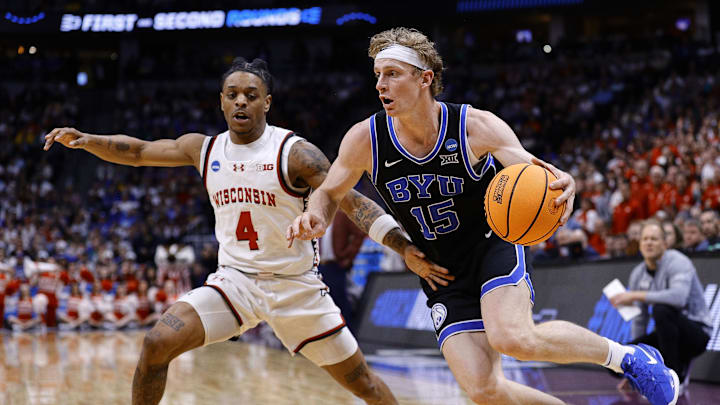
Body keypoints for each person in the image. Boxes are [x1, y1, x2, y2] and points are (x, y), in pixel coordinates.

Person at [288, 27, 679, 405]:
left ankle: (628, 358)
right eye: (377, 76)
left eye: (392, 74)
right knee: (483, 390)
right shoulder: (365, 139)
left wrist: (564, 183)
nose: (380, 85)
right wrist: (317, 216)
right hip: (439, 269)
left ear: (425, 78)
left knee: (514, 338)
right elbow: (330, 191)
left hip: (492, 245)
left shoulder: (474, 126)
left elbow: (536, 172)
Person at [43, 57, 441, 405]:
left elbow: (352, 202)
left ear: (266, 102)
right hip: (234, 284)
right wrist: (89, 141)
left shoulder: (294, 153)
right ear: (221, 100)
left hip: (295, 288)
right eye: (232, 94)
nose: (240, 101)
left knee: (367, 386)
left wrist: (402, 246)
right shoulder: (205, 149)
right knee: (156, 343)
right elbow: (140, 152)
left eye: (251, 95)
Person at [611, 219, 711, 393]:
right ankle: (642, 377)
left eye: (654, 239)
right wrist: (637, 366)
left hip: (696, 332)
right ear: (640, 244)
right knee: (622, 357)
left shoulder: (678, 261)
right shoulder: (638, 273)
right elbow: (639, 319)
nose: (649, 242)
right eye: (645, 239)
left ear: (665, 244)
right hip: (668, 335)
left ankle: (674, 378)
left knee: (662, 309)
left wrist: (634, 295)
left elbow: (678, 298)